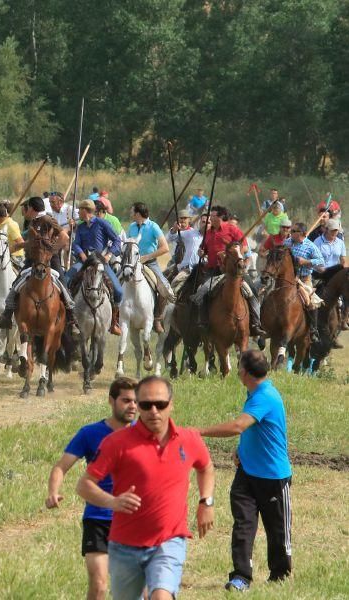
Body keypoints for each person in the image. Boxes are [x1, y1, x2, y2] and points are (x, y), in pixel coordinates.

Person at [76, 376, 215, 600]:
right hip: (124, 545)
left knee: (161, 596)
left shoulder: (189, 439)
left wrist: (206, 501)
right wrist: (112, 502)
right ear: (138, 406)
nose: (153, 411)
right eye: (145, 405)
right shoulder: (117, 442)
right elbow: (84, 485)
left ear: (171, 404)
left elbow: (206, 467)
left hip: (168, 541)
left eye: (160, 404)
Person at [197, 350, 292, 592]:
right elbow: (257, 429)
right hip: (247, 473)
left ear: (245, 373)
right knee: (243, 525)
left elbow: (239, 425)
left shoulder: (266, 396)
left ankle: (280, 575)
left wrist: (199, 431)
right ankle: (241, 577)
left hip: (273, 476)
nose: (237, 370)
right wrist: (242, 450)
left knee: (277, 530)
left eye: (239, 366)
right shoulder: (254, 392)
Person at [45, 377, 138, 600]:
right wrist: (53, 492)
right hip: (97, 518)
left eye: (136, 401)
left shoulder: (144, 433)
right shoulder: (89, 433)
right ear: (111, 401)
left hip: (133, 519)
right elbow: (61, 466)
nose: (132, 406)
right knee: (99, 585)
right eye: (126, 400)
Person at [0, 197, 80, 333]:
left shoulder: (47, 220)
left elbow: (64, 237)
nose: (24, 211)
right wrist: (17, 246)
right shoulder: (32, 222)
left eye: (25, 208)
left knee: (62, 284)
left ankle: (72, 318)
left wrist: (50, 251)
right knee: (16, 284)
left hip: (50, 260)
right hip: (32, 259)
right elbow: (34, 242)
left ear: (31, 209)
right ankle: (7, 315)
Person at [195, 205, 265, 337]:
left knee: (252, 291)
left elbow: (244, 248)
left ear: (221, 217)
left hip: (233, 271)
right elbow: (204, 249)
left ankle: (256, 323)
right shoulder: (208, 232)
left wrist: (228, 256)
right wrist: (201, 252)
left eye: (213, 216)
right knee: (202, 291)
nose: (210, 218)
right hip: (213, 270)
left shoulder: (232, 229)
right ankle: (203, 322)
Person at [68, 200, 123, 334]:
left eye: (79, 210)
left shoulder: (102, 223)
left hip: (100, 261)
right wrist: (81, 254)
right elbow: (76, 244)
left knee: (118, 291)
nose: (78, 212)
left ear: (86, 210)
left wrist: (109, 255)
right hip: (84, 261)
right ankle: (70, 319)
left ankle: (113, 322)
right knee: (67, 278)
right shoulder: (80, 227)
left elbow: (117, 240)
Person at [126, 202, 175, 333]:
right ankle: (117, 317)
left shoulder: (154, 227)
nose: (130, 214)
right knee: (116, 283)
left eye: (132, 212)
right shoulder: (131, 227)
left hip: (150, 263)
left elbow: (165, 248)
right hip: (132, 263)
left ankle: (157, 318)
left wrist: (147, 257)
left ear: (137, 214)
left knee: (164, 288)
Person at [283, 222, 325, 342]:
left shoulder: (310, 246)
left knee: (310, 301)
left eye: (294, 231)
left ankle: (313, 329)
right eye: (291, 230)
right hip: (287, 279)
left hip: (304, 279)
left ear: (303, 233)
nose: (291, 233)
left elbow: (321, 261)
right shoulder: (287, 243)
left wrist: (306, 262)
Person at [166, 210, 204, 293]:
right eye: (181, 218)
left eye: (185, 218)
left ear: (189, 220)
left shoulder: (191, 232)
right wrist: (174, 230)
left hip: (190, 264)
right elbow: (168, 239)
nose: (183, 220)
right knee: (164, 277)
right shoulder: (180, 231)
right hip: (175, 261)